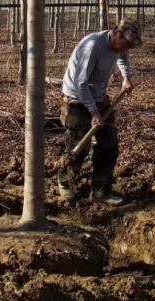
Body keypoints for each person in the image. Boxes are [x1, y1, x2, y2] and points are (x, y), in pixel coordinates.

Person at [57, 17, 141, 206]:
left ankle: (101, 190)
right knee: (79, 145)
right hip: (76, 99)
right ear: (117, 34)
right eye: (126, 43)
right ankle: (65, 181)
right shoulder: (93, 46)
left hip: (98, 96)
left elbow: (123, 57)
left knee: (109, 143)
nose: (127, 48)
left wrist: (126, 77)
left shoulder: (119, 47)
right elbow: (80, 83)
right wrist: (94, 112)